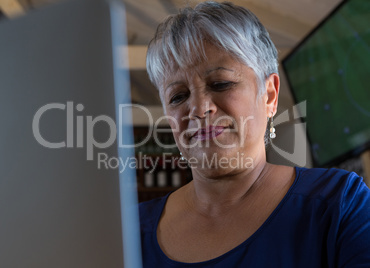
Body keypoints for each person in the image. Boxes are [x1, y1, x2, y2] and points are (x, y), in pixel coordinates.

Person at [139, 1, 370, 267]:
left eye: (221, 84)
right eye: (178, 96)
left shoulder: (339, 205)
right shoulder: (130, 232)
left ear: (269, 94)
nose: (200, 109)